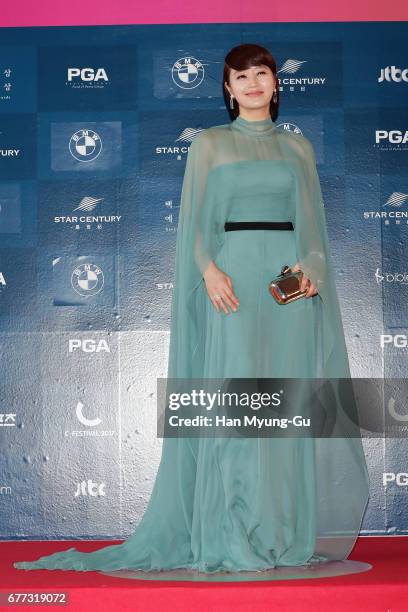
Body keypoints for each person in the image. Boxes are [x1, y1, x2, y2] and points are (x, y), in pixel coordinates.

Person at [13, 43, 369, 577]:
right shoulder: (209, 144)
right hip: (231, 283)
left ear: (276, 84)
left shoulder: (298, 150)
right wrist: (209, 269)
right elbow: (196, 226)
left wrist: (310, 266)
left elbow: (312, 226)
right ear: (227, 89)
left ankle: (282, 535)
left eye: (261, 74)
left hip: (287, 289)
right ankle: (232, 534)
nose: (252, 84)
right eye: (240, 77)